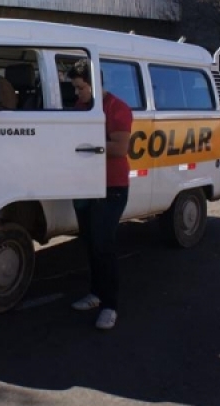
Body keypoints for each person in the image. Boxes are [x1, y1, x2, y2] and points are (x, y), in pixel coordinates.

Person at [67, 59, 132, 330]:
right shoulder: (80, 108)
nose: (77, 93)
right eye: (75, 88)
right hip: (85, 186)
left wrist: (86, 146)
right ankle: (96, 293)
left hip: (112, 188)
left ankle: (110, 306)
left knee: (104, 246)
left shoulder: (118, 108)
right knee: (90, 242)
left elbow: (119, 147)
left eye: (80, 88)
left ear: (94, 85)